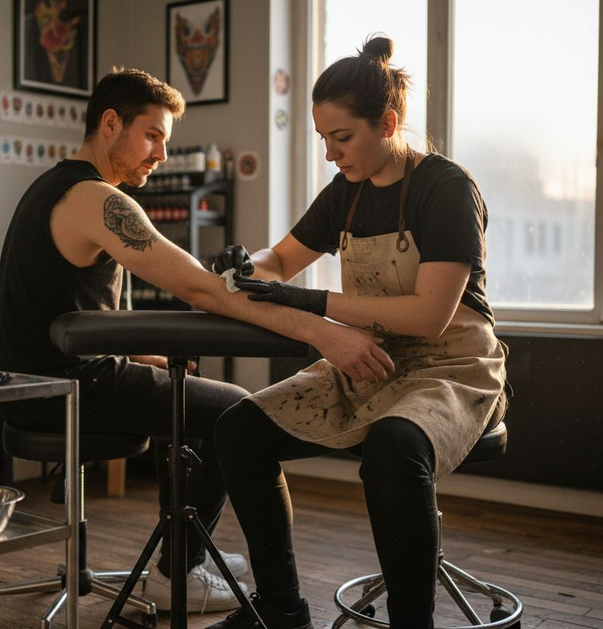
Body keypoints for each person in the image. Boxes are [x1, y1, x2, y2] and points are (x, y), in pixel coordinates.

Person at [0, 67, 393, 614]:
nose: (160, 153)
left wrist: (134, 355)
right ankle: (181, 572)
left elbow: (62, 304)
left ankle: (183, 559)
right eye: (152, 135)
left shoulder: (55, 186)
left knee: (189, 394)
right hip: (64, 389)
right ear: (111, 123)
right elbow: (205, 290)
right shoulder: (96, 199)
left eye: (165, 140)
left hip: (33, 384)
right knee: (238, 413)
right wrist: (325, 335)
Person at [205, 37, 509, 629]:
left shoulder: (444, 188)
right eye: (323, 139)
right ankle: (281, 608)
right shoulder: (346, 193)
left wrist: (314, 304)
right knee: (239, 430)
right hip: (367, 358)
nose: (329, 154)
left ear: (388, 123)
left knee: (394, 449)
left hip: (452, 367)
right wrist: (249, 267)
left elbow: (430, 316)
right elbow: (281, 261)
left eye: (340, 139)